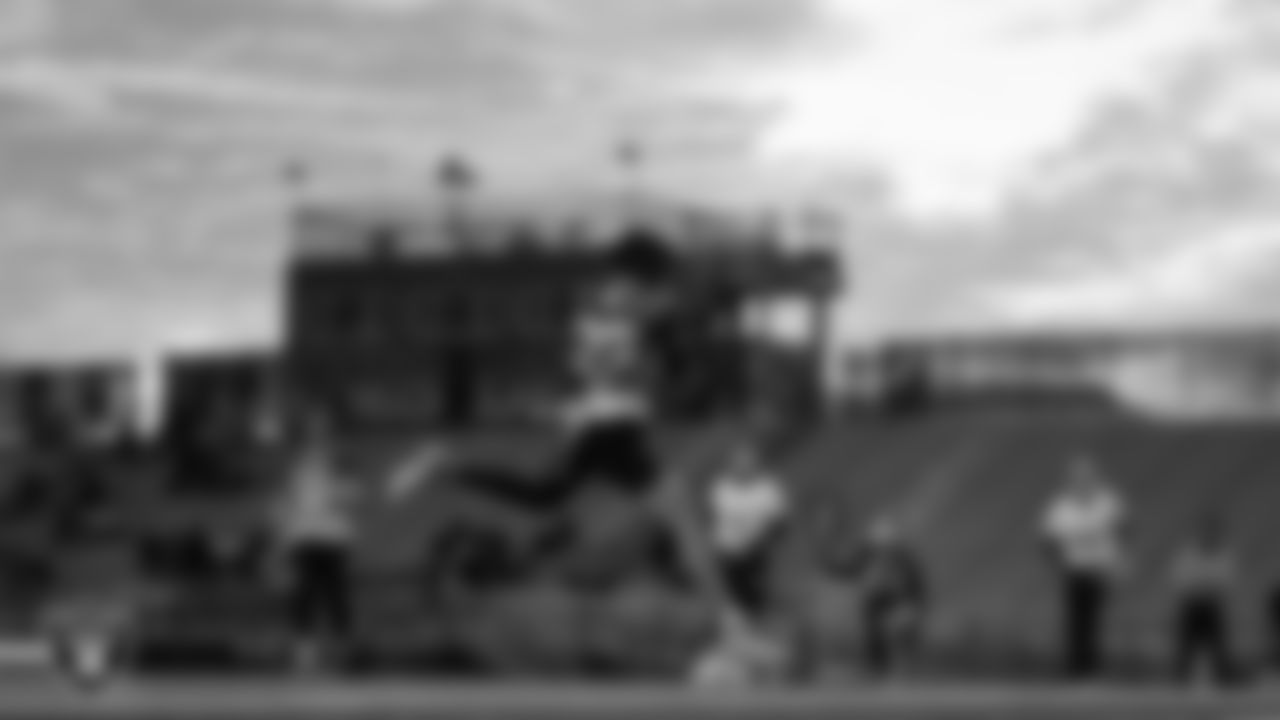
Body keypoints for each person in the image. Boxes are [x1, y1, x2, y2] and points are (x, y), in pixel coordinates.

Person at [1041, 456, 1127, 680]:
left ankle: (1092, 667)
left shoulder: (1107, 502)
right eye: (1078, 478)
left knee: (1094, 619)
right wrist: (1056, 564)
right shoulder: (1062, 507)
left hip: (1099, 568)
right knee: (1075, 620)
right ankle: (1075, 668)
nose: (1083, 482)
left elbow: (1122, 530)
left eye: (1086, 477)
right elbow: (1050, 540)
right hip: (1074, 569)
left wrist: (1119, 558)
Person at [1169, 516, 1237, 686]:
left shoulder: (1223, 554)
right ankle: (1181, 674)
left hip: (1212, 604)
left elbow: (1225, 581)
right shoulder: (1187, 553)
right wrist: (1204, 582)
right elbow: (1180, 580)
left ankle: (1223, 674)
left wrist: (1203, 581)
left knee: (1218, 640)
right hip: (1193, 604)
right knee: (1186, 641)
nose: (1208, 535)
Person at [858, 515, 929, 678]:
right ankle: (877, 668)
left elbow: (916, 592)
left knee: (886, 621)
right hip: (891, 609)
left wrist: (908, 610)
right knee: (873, 612)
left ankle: (891, 668)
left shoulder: (904, 562)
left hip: (906, 609)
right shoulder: (879, 564)